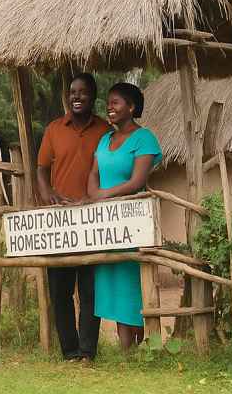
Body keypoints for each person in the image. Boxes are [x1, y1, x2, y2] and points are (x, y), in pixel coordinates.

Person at [37, 72, 109, 361]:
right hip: (60, 221)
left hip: (94, 220)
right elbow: (41, 169)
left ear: (93, 96)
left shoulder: (105, 130)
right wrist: (48, 193)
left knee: (91, 290)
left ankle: (88, 351)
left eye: (82, 92)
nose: (76, 97)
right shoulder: (54, 129)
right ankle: (69, 351)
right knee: (60, 291)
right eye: (72, 92)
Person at [88, 82, 162, 350]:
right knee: (113, 280)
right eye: (108, 102)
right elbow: (93, 174)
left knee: (132, 282)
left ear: (131, 107)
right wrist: (94, 194)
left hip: (132, 222)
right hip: (106, 223)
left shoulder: (144, 138)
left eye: (116, 102)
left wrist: (104, 195)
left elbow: (136, 181)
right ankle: (125, 348)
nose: (109, 107)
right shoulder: (104, 140)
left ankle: (144, 343)